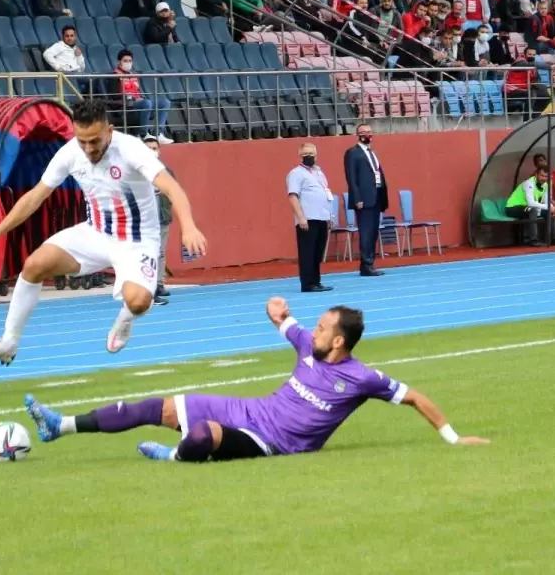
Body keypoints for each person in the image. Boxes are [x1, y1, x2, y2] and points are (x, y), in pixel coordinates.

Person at [24, 297, 488, 461]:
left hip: (275, 443)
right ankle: (59, 425)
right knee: (155, 406)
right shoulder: (308, 343)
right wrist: (275, 309)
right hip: (251, 410)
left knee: (202, 435)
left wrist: (452, 438)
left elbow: (415, 398)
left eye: (325, 328)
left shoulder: (363, 378)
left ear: (341, 343)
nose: (315, 330)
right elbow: (281, 319)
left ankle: (173, 458)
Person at [0, 101, 206, 363]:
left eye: (94, 141)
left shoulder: (131, 149)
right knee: (34, 264)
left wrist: (189, 226)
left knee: (138, 302)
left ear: (110, 130)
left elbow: (172, 188)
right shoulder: (70, 152)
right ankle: (8, 342)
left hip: (136, 240)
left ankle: (126, 319)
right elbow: (35, 196)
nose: (88, 148)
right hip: (95, 233)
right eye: (82, 141)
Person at [287, 142, 333, 293]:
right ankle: (307, 284)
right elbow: (293, 197)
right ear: (300, 156)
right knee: (307, 252)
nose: (309, 157)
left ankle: (316, 281)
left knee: (318, 252)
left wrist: (330, 215)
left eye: (311, 154)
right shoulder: (296, 173)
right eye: (305, 154)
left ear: (316, 155)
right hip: (308, 219)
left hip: (322, 217)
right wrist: (301, 217)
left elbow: (327, 193)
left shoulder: (319, 172)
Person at [343, 123, 387, 277]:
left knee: (373, 233)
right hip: (364, 200)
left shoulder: (372, 152)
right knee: (366, 233)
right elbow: (351, 178)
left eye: (370, 131)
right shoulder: (352, 153)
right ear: (358, 135)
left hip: (376, 198)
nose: (369, 134)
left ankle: (369, 263)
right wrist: (357, 198)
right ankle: (366, 265)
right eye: (365, 132)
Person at [142, 136, 173, 306]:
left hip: (162, 217)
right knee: (148, 255)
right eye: (149, 148)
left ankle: (157, 285)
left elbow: (174, 191)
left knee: (160, 253)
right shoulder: (138, 172)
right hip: (145, 222)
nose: (152, 151)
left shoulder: (166, 170)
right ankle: (147, 290)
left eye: (155, 148)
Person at [505, 166, 555, 246]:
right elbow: (531, 203)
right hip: (512, 208)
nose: (544, 178)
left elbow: (546, 201)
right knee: (533, 210)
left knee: (548, 212)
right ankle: (533, 240)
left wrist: (552, 208)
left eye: (546, 176)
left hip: (527, 208)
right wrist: (548, 207)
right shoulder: (529, 183)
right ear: (536, 175)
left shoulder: (546, 185)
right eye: (542, 175)